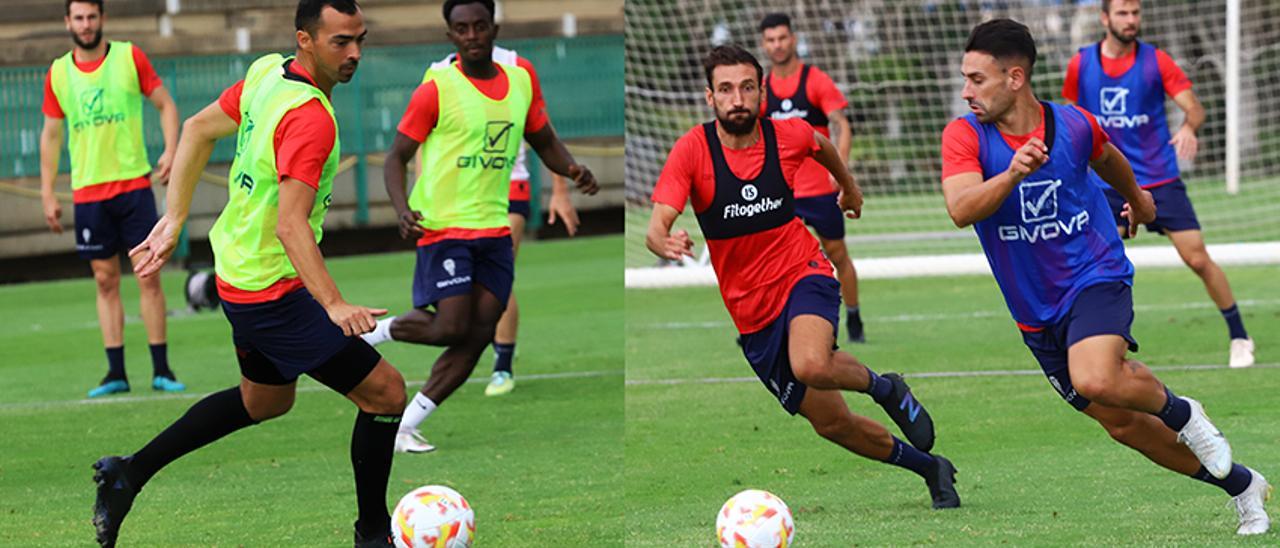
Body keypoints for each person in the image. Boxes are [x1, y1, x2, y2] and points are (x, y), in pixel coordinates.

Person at [91, 2, 406, 546]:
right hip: (273, 291)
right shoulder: (310, 118)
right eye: (340, 42)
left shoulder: (268, 72)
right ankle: (373, 535)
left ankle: (128, 473)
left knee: (265, 401)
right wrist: (333, 305)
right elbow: (290, 225)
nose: (354, 53)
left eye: (360, 39)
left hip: (240, 277)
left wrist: (176, 217)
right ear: (305, 40)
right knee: (386, 393)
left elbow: (196, 129)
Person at [941, 18, 1269, 535]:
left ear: (1015, 78)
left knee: (1094, 375)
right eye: (965, 78)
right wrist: (1011, 174)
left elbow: (1108, 155)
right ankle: (1243, 487)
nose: (967, 91)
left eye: (977, 79)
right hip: (1033, 308)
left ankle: (1184, 413)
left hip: (1094, 271)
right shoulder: (964, 136)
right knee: (1123, 425)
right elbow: (961, 209)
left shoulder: (1071, 124)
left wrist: (1139, 200)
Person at [646, 44, 958, 509]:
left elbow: (823, 144)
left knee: (810, 363)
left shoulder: (787, 136)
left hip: (803, 271)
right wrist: (663, 241)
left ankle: (887, 387)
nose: (738, 99)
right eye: (726, 89)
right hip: (752, 313)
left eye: (747, 87)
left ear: (761, 92)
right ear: (709, 97)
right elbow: (656, 225)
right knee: (832, 424)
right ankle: (931, 469)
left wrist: (848, 188)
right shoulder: (693, 150)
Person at [360, 0, 597, 454]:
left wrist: (571, 170)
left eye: (480, 26)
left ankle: (405, 426)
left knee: (479, 334)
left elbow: (543, 139)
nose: (472, 35)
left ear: (494, 28)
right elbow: (396, 156)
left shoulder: (520, 81)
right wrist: (400, 207)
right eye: (462, 28)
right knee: (452, 327)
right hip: (444, 226)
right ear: (450, 35)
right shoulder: (436, 88)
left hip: (494, 230)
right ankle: (377, 332)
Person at [1063, 0, 1254, 368]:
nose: (1131, 20)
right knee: (1092, 260)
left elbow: (1195, 108)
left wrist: (1188, 126)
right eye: (1122, 13)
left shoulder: (1157, 61)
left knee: (1197, 258)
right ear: (1105, 18)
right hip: (1106, 181)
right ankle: (1085, 341)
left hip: (1159, 178)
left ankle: (1239, 337)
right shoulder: (1080, 64)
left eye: (1135, 13)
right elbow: (1072, 117)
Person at [40, 0, 185, 397]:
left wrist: (172, 149)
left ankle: (161, 370)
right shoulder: (58, 73)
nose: (86, 25)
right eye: (79, 18)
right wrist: (48, 190)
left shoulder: (128, 57)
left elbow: (166, 104)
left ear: (102, 19)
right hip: (89, 193)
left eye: (91, 17)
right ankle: (115, 373)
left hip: (134, 187)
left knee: (149, 275)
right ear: (67, 22)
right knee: (105, 282)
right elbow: (51, 135)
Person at [421, 46, 581, 398]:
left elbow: (543, 131)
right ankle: (487, 346)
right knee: (468, 290)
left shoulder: (518, 67)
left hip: (509, 187)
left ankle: (502, 365)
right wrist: (420, 199)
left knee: (497, 277)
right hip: (455, 198)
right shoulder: (437, 73)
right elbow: (423, 137)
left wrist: (560, 190)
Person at [759, 13, 865, 342]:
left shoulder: (815, 80)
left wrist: (841, 171)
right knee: (777, 262)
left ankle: (854, 317)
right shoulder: (762, 90)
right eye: (770, 40)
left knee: (836, 255)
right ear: (764, 45)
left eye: (782, 38)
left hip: (821, 190)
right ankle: (774, 324)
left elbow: (841, 124)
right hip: (783, 192)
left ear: (793, 39)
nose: (777, 45)